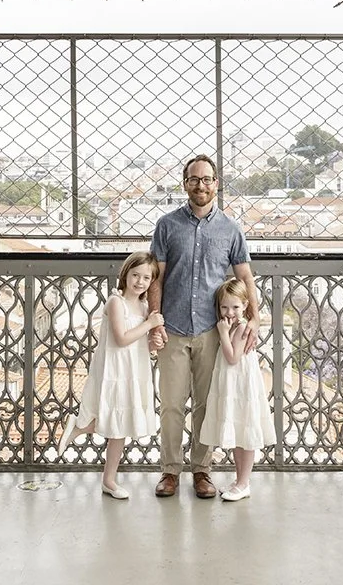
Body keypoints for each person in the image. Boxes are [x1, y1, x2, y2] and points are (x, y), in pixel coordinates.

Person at [147, 154, 260, 499]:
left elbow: (244, 276)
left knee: (207, 404)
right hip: (174, 328)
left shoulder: (231, 229)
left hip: (214, 330)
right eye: (194, 179)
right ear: (185, 184)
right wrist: (155, 321)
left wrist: (254, 317)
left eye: (207, 179)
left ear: (217, 183)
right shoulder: (166, 225)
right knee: (171, 405)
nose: (201, 185)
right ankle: (170, 470)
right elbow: (157, 279)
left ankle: (202, 470)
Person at [57, 251, 166, 499]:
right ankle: (81, 427)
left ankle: (108, 479)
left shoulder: (144, 306)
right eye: (135, 275)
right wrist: (149, 325)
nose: (140, 282)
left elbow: (141, 345)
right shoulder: (116, 302)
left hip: (134, 369)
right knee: (115, 419)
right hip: (116, 368)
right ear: (125, 274)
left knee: (121, 426)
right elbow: (122, 338)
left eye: (146, 278)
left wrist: (153, 342)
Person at [198, 277, 275, 501]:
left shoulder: (240, 328)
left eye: (235, 307)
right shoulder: (232, 325)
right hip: (232, 385)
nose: (229, 312)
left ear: (245, 306)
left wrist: (222, 333)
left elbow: (232, 358)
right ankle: (239, 480)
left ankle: (244, 482)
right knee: (238, 431)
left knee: (246, 432)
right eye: (224, 307)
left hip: (241, 386)